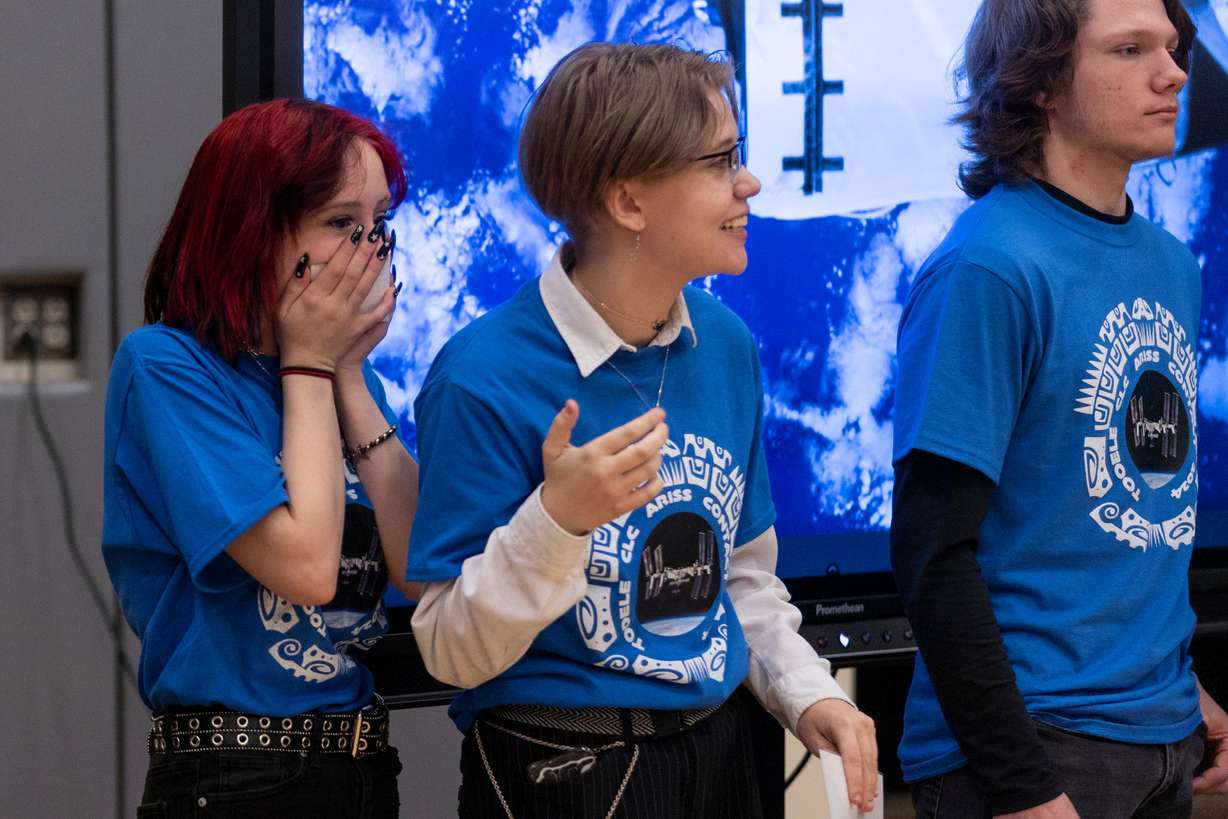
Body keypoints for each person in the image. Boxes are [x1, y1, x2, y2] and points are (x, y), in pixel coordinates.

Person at [406, 42, 878, 818]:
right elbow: (451, 649)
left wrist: (807, 694)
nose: (749, 183)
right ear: (628, 202)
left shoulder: (724, 345)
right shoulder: (479, 375)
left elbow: (743, 581)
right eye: (721, 161)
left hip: (724, 750)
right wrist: (555, 521)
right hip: (563, 764)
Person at [891, 0, 1228, 816]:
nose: (1174, 71)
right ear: (1039, 82)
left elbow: (1112, 531)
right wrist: (1024, 785)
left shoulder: (1171, 264)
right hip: (1032, 752)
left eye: (1174, 48)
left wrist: (1181, 690)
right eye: (1130, 49)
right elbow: (931, 552)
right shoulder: (990, 265)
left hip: (1158, 735)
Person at [102, 99, 420, 818]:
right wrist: (310, 364)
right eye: (342, 224)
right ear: (252, 228)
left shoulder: (336, 377)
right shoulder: (165, 366)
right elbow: (306, 566)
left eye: (379, 227)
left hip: (361, 760)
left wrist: (344, 376)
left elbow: (424, 567)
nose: (370, 250)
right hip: (238, 771)